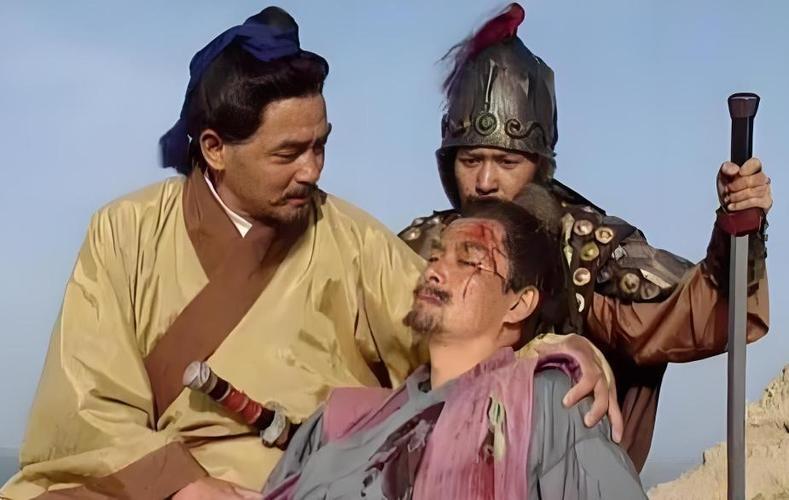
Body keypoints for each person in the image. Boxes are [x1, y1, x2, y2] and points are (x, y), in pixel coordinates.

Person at [2, 6, 619, 499]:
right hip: (147, 482)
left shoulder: (351, 240)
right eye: (288, 153)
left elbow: (459, 331)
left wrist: (557, 353)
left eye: (320, 146)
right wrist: (184, 485)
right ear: (215, 149)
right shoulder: (125, 232)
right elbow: (85, 407)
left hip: (290, 481)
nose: (312, 170)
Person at [398, 3, 772, 471]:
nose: (486, 181)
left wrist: (737, 230)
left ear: (539, 167)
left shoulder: (586, 250)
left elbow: (698, 311)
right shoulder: (416, 252)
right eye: (471, 160)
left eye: (507, 161)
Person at [262, 199, 647, 499]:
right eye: (434, 257)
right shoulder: (343, 419)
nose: (433, 271)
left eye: (467, 261)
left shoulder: (548, 402)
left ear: (518, 303)